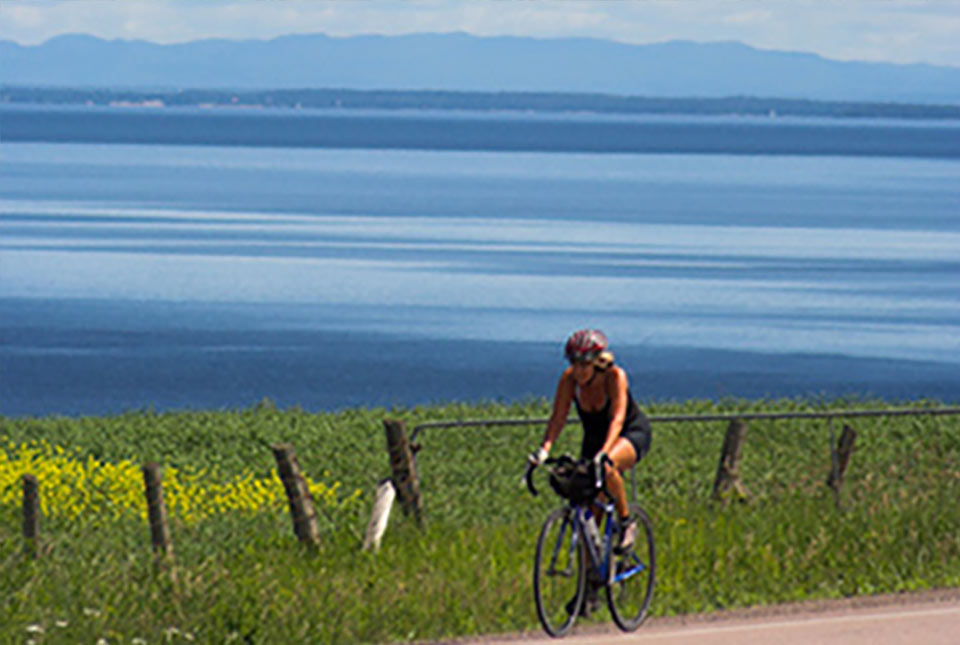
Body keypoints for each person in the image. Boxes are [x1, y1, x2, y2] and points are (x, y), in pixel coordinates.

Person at [529, 329, 652, 554]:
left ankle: (627, 523)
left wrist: (605, 452)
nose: (579, 370)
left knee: (607, 467)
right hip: (595, 438)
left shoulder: (614, 377)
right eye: (574, 363)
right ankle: (591, 582)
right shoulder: (569, 380)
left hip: (629, 432)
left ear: (597, 362)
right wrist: (544, 450)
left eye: (584, 364)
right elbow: (558, 418)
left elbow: (617, 419)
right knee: (588, 520)